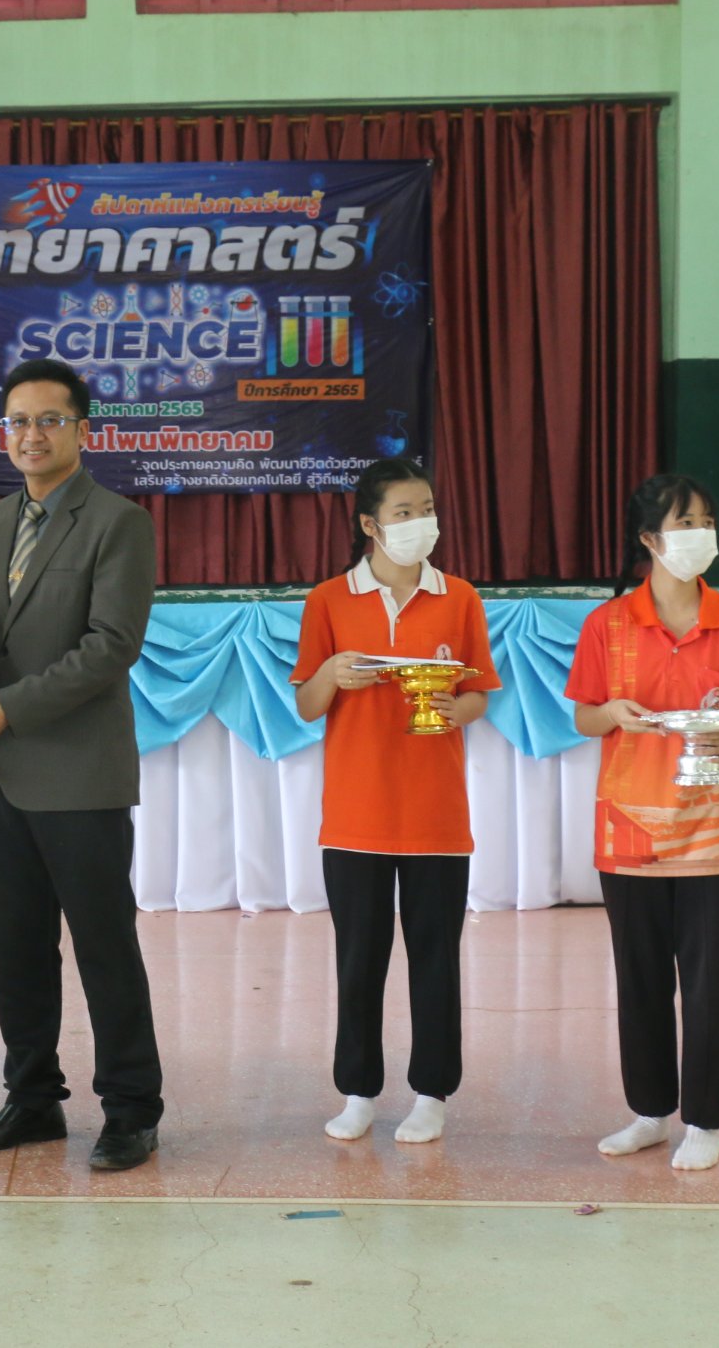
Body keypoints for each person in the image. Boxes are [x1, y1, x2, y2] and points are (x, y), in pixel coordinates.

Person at [0, 358, 164, 1172]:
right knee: (17, 949)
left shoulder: (118, 522)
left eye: (48, 420)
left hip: (78, 772)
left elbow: (111, 646)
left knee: (105, 946)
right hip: (1, 770)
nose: (30, 435)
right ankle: (33, 1097)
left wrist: (14, 706)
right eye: (17, 421)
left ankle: (132, 1107)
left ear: (82, 430)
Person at [563, 474, 719, 1173]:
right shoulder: (608, 624)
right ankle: (649, 1111)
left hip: (712, 832)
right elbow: (584, 716)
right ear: (649, 539)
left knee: (710, 983)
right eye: (686, 523)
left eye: (707, 521)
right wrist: (612, 713)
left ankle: (706, 1121)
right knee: (641, 980)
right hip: (629, 830)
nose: (701, 534)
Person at [290, 459, 501, 1144]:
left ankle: (432, 1093)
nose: (420, 523)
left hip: (436, 816)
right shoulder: (329, 599)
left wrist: (458, 708)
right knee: (359, 959)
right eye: (404, 512)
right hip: (356, 817)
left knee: (435, 958)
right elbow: (306, 705)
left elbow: (477, 692)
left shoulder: (458, 597)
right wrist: (330, 673)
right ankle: (357, 1091)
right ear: (370, 524)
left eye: (427, 509)